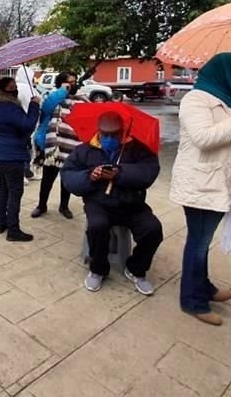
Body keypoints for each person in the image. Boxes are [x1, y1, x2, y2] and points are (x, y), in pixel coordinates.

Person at [169, 52, 231, 326]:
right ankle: (192, 301)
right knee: (198, 244)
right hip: (201, 184)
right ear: (221, 71)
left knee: (201, 243)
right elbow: (204, 137)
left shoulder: (228, 101)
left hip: (217, 183)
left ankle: (204, 287)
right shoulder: (195, 99)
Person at [61, 112, 163, 295]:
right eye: (105, 135)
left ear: (122, 132)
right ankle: (98, 269)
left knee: (153, 229)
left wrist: (120, 173)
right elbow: (68, 176)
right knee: (97, 226)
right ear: (98, 132)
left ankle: (136, 269)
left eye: (114, 135)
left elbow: (149, 172)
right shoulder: (84, 150)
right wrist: (90, 177)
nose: (109, 139)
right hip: (99, 202)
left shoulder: (137, 148)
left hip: (133, 203)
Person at [0, 77, 41, 242]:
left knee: (3, 188)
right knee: (15, 192)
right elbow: (27, 125)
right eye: (11, 87)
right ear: (3, 89)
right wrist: (34, 105)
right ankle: (13, 230)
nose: (15, 89)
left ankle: (1, 224)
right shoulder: (9, 107)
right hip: (12, 156)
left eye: (15, 86)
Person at [32, 71, 82, 220]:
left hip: (70, 146)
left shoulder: (78, 100)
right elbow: (47, 107)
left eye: (74, 82)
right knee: (48, 178)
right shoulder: (51, 97)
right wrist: (62, 91)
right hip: (52, 147)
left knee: (66, 179)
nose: (72, 85)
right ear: (61, 84)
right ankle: (42, 205)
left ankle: (64, 206)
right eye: (69, 83)